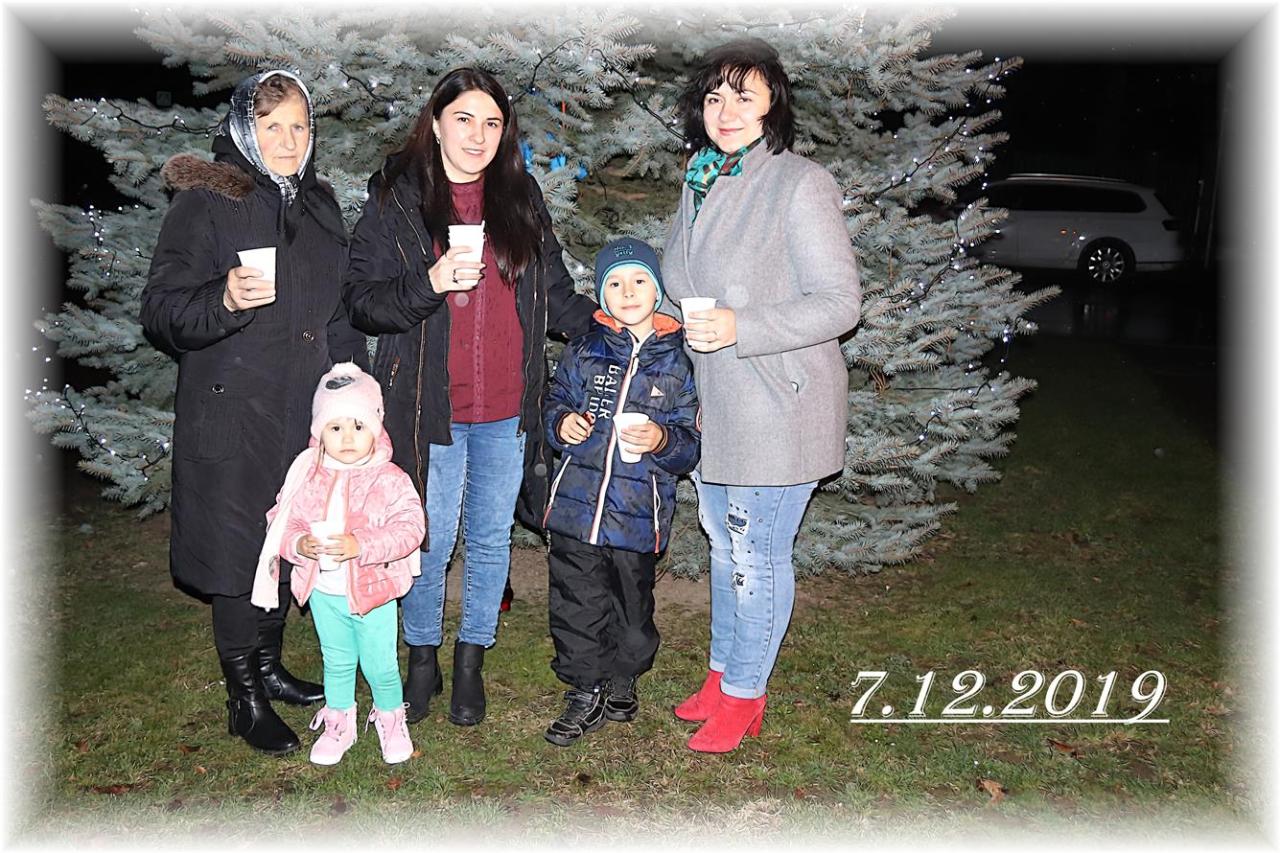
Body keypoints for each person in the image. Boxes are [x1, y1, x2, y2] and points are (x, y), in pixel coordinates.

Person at [343, 67, 597, 728]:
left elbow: (556, 295)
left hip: (509, 409)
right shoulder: (398, 198)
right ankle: (422, 658)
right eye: (464, 119)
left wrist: (614, 324)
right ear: (436, 123)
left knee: (488, 540)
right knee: (426, 539)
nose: (477, 135)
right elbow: (363, 301)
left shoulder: (520, 196)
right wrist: (428, 282)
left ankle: (471, 660)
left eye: (491, 122)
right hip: (430, 407)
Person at [141, 70, 368, 756]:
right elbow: (161, 310)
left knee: (288, 540)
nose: (288, 141)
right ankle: (244, 697)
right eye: (272, 127)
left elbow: (339, 312)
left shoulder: (319, 207)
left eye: (299, 126)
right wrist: (224, 298)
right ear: (245, 131)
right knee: (240, 555)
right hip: (232, 414)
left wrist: (351, 385)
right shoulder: (206, 202)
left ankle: (269, 665)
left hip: (302, 415)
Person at [661, 39, 862, 753]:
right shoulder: (701, 178)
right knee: (725, 548)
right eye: (714, 97)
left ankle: (746, 694)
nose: (726, 111)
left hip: (780, 403)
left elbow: (840, 302)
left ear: (773, 104)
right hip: (717, 403)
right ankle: (722, 675)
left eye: (743, 96)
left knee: (756, 554)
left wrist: (743, 326)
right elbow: (678, 282)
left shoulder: (799, 183)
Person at [540, 238, 700, 746]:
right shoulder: (584, 349)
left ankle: (624, 675)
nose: (627, 292)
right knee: (577, 603)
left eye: (638, 281)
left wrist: (662, 440)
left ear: (657, 291)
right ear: (600, 294)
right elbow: (555, 400)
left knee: (632, 608)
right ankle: (584, 687)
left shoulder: (678, 363)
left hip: (636, 513)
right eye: (614, 283)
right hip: (576, 508)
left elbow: (689, 445)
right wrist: (561, 423)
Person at [251, 362, 426, 766]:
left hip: (373, 591)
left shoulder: (389, 479)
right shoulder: (306, 475)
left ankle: (391, 717)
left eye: (358, 426)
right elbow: (282, 519)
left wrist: (361, 545)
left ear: (376, 429)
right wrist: (299, 544)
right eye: (335, 427)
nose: (347, 438)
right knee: (337, 660)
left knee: (380, 664)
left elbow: (411, 527)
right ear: (319, 432)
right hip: (324, 592)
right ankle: (340, 721)